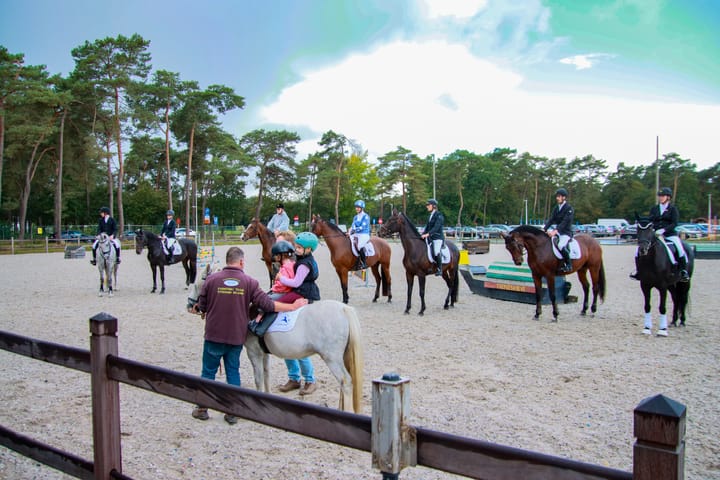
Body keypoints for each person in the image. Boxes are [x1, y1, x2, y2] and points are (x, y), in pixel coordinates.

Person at [191, 246, 308, 424]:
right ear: (241, 261)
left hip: (214, 335)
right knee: (233, 372)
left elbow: (202, 306)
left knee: (208, 371)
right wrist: (292, 307)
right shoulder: (250, 282)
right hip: (236, 336)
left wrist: (198, 309)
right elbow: (268, 304)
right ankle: (233, 411)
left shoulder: (212, 280)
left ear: (227, 260)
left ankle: (202, 408)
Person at [274, 232, 321, 395]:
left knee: (276, 306)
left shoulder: (304, 264)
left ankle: (310, 379)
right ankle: (294, 378)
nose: (296, 249)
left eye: (299, 247)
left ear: (308, 249)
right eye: (296, 246)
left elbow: (295, 282)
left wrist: (280, 278)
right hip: (300, 291)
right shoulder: (300, 259)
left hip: (303, 294)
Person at [630, 187, 689, 282]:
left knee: (679, 248)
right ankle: (639, 271)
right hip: (656, 234)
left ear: (668, 197)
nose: (661, 198)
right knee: (638, 250)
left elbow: (674, 223)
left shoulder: (673, 209)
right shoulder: (655, 209)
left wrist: (664, 230)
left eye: (663, 196)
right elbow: (650, 220)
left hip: (670, 234)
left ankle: (683, 271)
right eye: (660, 196)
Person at [543, 188, 575, 273]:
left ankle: (569, 265)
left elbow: (565, 222)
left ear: (564, 197)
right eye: (557, 196)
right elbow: (551, 219)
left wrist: (555, 231)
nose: (557, 198)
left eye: (559, 196)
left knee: (561, 245)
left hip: (566, 232)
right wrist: (544, 229)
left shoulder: (569, 208)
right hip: (558, 232)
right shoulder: (556, 208)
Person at [421, 199, 444, 276]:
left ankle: (439, 269)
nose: (427, 206)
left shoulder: (439, 215)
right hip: (430, 238)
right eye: (427, 205)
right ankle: (429, 265)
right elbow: (427, 227)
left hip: (437, 237)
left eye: (428, 205)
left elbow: (436, 227)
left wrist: (428, 234)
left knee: (436, 251)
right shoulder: (430, 216)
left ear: (433, 206)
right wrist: (423, 234)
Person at [346, 199, 371, 269]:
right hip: (356, 234)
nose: (356, 208)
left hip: (364, 234)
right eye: (356, 207)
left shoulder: (366, 216)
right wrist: (349, 232)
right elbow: (352, 226)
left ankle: (364, 263)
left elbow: (363, 227)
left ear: (362, 208)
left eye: (358, 207)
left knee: (359, 246)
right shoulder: (355, 217)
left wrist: (353, 231)